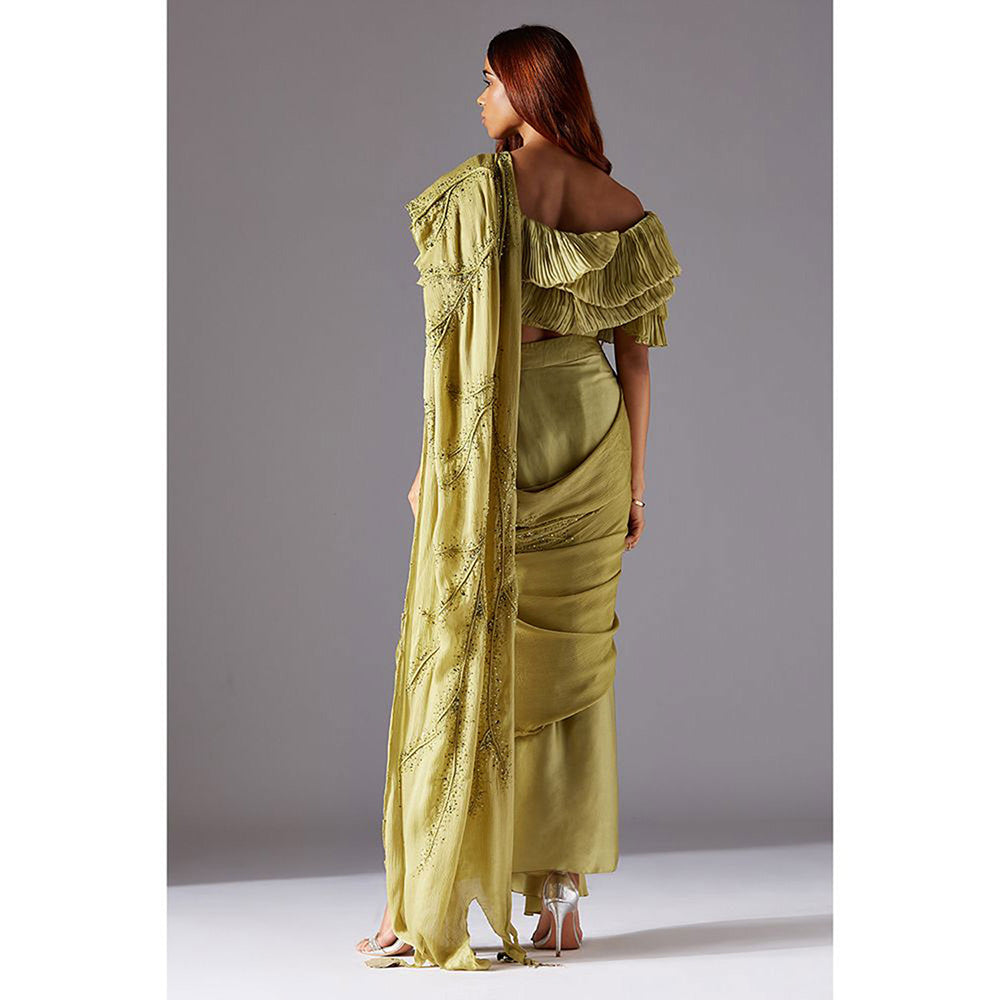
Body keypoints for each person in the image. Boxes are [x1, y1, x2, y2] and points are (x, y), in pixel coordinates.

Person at [356, 24, 680, 970]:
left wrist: (431, 464)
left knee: (463, 660)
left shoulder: (476, 194)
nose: (479, 96)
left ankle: (420, 904)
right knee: (574, 672)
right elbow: (635, 365)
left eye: (490, 80)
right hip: (594, 438)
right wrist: (635, 482)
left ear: (528, 89)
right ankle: (561, 903)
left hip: (499, 437)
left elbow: (451, 354)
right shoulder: (625, 208)